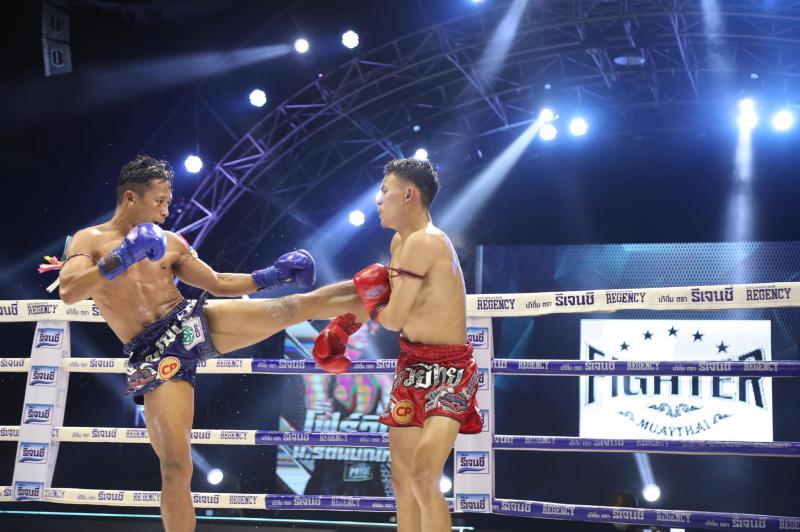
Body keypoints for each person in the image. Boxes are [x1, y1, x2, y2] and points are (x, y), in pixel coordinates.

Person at [58, 154, 366, 532]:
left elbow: (217, 282)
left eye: (168, 202)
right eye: (159, 201)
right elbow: (70, 292)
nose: (166, 211)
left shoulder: (170, 242)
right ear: (130, 198)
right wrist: (121, 257)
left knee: (289, 307)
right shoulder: (88, 240)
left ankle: (379, 290)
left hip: (189, 321)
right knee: (175, 466)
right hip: (152, 354)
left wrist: (273, 275)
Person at [312, 158, 481, 532]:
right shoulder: (400, 241)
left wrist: (364, 311)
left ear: (409, 195)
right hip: (412, 363)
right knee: (403, 483)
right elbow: (387, 300)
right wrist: (346, 324)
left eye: (385, 191)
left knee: (423, 476)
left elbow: (392, 318)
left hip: (450, 372)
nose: (378, 200)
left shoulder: (425, 241)